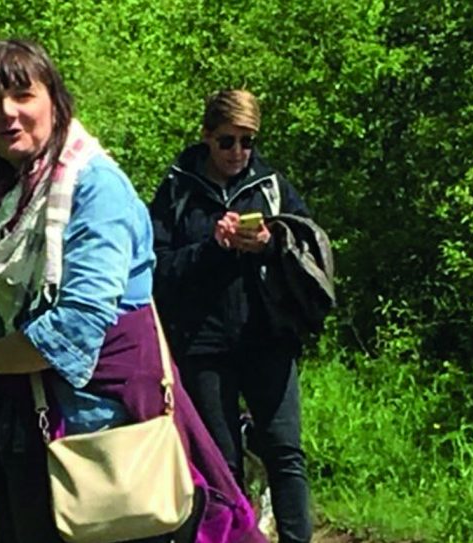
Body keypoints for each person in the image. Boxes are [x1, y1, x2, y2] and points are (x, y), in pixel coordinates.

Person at [0, 40, 262, 543]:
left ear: (55, 101)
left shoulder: (94, 188)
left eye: (24, 94)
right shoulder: (11, 194)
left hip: (105, 437)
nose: (7, 113)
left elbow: (76, 327)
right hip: (33, 425)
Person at [148, 89, 314, 543]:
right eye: (227, 141)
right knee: (221, 463)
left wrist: (270, 243)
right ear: (206, 137)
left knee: (285, 452)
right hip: (203, 345)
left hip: (269, 339)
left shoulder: (272, 186)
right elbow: (155, 268)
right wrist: (212, 249)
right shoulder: (178, 189)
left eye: (247, 141)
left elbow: (308, 251)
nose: (238, 152)